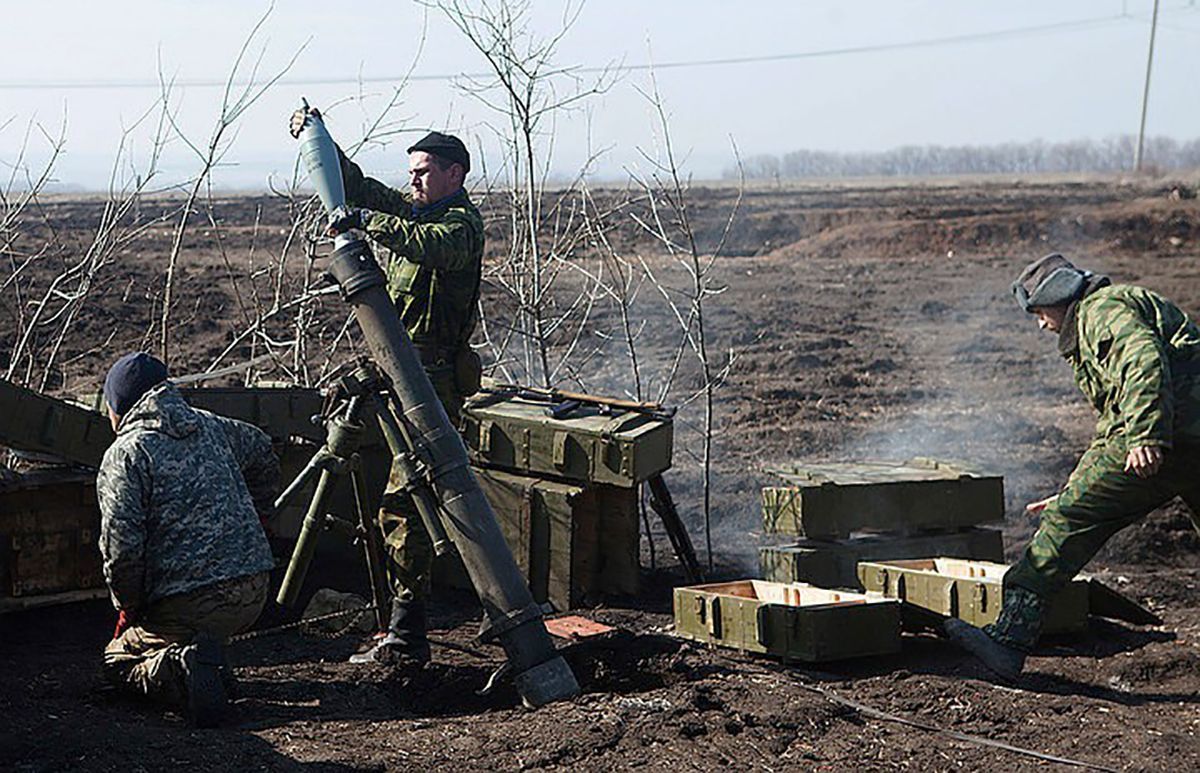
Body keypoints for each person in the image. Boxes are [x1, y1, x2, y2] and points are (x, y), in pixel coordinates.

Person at [289, 107, 485, 667]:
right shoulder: (416, 210)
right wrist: (317, 135)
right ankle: (400, 627)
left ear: (455, 175)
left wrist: (363, 224)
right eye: (412, 172)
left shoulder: (460, 226)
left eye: (424, 171)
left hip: (433, 385)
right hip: (401, 376)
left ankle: (407, 636)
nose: (414, 181)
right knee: (390, 503)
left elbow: (428, 248)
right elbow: (359, 186)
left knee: (406, 504)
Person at [946, 253, 1200, 680]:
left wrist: (1145, 436)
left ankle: (1008, 639)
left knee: (1068, 520)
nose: (1041, 324)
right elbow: (1110, 426)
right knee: (1073, 503)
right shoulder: (1110, 309)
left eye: (1040, 312)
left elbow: (1144, 361)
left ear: (1059, 298)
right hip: (1189, 432)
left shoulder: (1101, 312)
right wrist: (1076, 486)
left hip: (1173, 433)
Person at [98, 352, 279, 726]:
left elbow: (123, 551)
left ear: (119, 404)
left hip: (191, 603)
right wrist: (260, 517)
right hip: (255, 590)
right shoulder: (213, 427)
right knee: (200, 624)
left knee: (118, 661)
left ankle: (180, 668)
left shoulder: (126, 454)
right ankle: (207, 663)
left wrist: (129, 606)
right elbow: (263, 447)